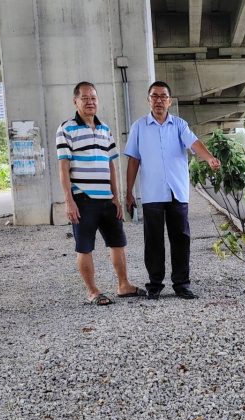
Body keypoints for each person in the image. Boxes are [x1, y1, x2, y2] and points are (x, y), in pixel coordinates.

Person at [124, 81, 221, 300]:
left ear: (169, 100)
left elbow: (194, 143)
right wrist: (128, 191)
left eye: (163, 96)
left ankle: (181, 284)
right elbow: (133, 160)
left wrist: (209, 158)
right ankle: (155, 285)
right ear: (148, 99)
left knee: (181, 239)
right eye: (154, 96)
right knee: (153, 241)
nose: (159, 100)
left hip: (177, 192)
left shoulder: (179, 125)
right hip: (152, 193)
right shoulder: (139, 127)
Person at [56, 81, 144, 306]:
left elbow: (111, 165)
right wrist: (69, 201)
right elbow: (64, 167)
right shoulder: (66, 129)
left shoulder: (105, 129)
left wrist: (117, 196)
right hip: (83, 199)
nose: (90, 102)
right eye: (84, 98)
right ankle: (93, 291)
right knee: (85, 246)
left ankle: (123, 285)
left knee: (118, 243)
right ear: (75, 101)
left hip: (107, 199)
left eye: (93, 98)